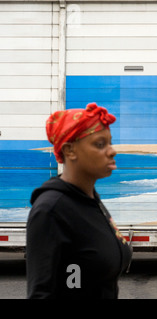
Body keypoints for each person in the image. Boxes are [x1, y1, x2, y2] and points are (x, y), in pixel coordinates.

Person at [26, 102, 132, 299]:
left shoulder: (90, 198)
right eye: (100, 144)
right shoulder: (51, 211)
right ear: (69, 151)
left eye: (110, 142)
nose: (112, 151)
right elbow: (41, 293)